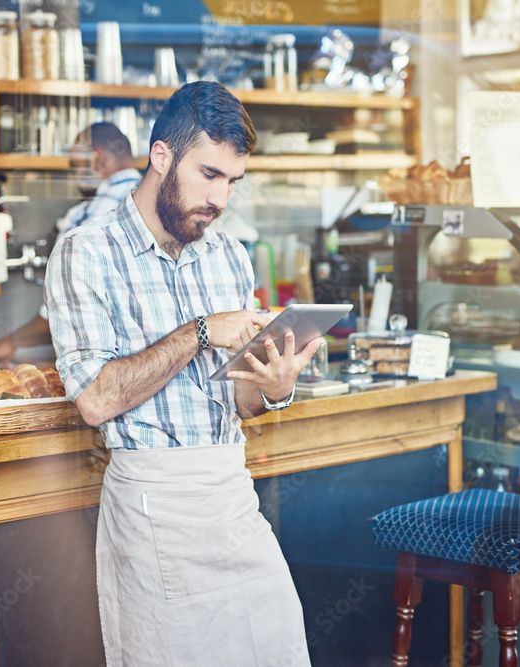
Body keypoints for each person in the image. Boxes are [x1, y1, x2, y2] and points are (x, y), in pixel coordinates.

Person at [45, 82, 321, 666]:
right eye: (209, 175)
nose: (220, 199)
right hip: (154, 507)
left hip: (233, 497)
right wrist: (197, 331)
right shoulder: (84, 252)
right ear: (162, 156)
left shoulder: (228, 256)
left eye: (232, 182)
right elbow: (95, 400)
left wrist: (274, 388)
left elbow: (241, 401)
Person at [0, 122, 142, 370]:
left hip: (109, 374)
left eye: (74, 167)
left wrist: (6, 344)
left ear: (97, 159)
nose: (72, 178)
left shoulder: (87, 217)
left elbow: (63, 311)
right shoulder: (156, 203)